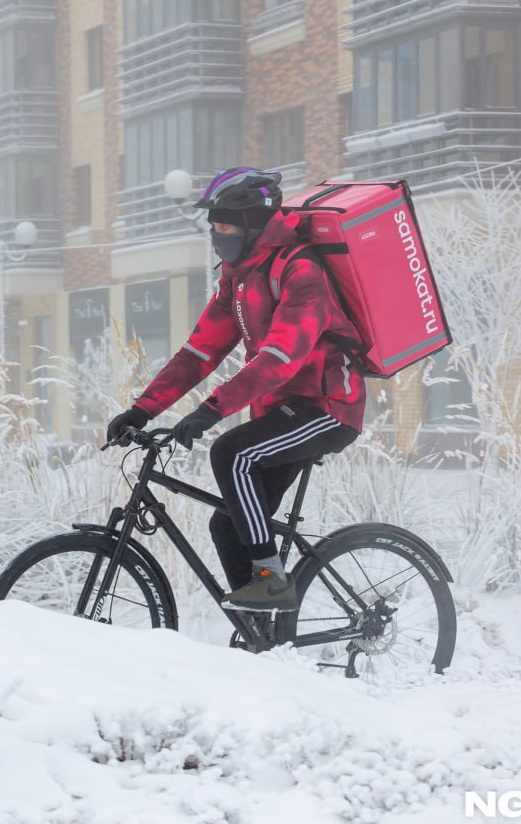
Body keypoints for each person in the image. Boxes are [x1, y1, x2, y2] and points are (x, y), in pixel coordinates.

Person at [106, 167, 366, 612]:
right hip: (278, 413)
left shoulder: (302, 273)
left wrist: (212, 409)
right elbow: (198, 353)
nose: (216, 233)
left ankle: (272, 581)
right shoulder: (239, 277)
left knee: (231, 453)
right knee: (227, 526)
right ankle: (262, 632)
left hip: (326, 409)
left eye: (225, 224)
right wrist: (143, 410)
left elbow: (279, 359)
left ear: (253, 222)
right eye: (213, 224)